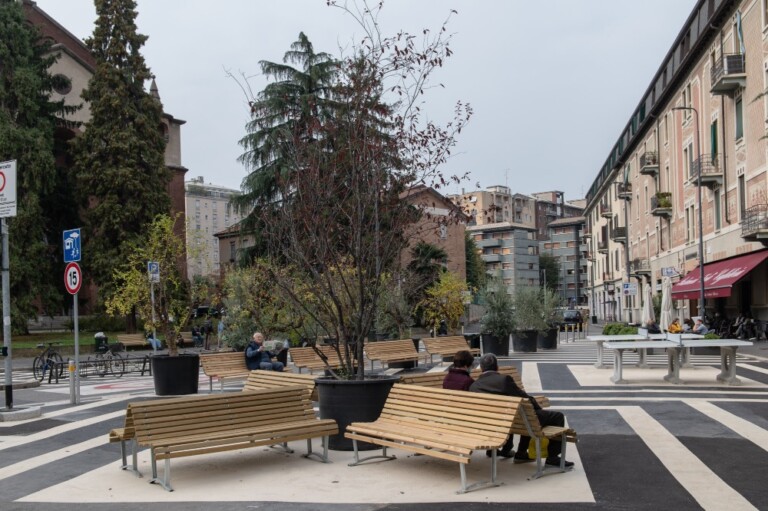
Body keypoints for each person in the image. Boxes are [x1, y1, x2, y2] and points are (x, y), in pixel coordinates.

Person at [470, 353, 573, 467]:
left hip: (499, 422)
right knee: (556, 416)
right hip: (516, 421)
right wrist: (538, 407)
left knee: (525, 416)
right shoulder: (504, 380)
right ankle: (552, 458)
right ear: (497, 367)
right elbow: (524, 397)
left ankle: (521, 453)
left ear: (481, 368)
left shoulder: (474, 386)